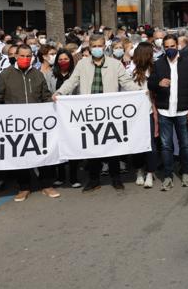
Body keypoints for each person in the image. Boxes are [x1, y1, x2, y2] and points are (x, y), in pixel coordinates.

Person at [54, 35, 140, 192]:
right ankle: (94, 180)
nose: (97, 49)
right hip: (89, 113)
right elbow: (71, 82)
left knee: (113, 147)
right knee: (92, 148)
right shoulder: (82, 64)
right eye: (94, 46)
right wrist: (59, 92)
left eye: (100, 45)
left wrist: (140, 93)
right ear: (89, 47)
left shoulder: (115, 65)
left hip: (109, 112)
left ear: (104, 46)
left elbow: (126, 83)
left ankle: (116, 178)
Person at [0, 46, 59, 202]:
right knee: (21, 156)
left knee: (43, 153)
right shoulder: (6, 75)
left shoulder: (38, 75)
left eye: (28, 56)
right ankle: (24, 187)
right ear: (16, 56)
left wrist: (54, 104)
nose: (25, 58)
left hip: (38, 123)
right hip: (16, 125)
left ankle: (47, 185)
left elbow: (45, 96)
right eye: (22, 56)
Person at [149, 34, 188, 190]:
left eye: (172, 46)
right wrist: (158, 83)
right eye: (167, 47)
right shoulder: (158, 64)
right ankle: (168, 175)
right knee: (166, 146)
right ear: (163, 47)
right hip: (165, 111)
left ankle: (186, 173)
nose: (169, 49)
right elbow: (150, 84)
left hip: (182, 111)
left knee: (185, 145)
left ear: (177, 45)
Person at [130, 42, 160, 189]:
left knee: (150, 144)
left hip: (148, 111)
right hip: (133, 113)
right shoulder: (131, 69)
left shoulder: (154, 69)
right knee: (137, 144)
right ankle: (139, 171)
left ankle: (150, 172)